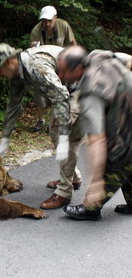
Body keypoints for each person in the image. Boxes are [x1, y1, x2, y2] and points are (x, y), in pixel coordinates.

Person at [0, 43, 84, 209]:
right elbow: (13, 106)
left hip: (81, 89)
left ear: (9, 61)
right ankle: (72, 178)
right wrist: (4, 139)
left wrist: (62, 135)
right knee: (58, 133)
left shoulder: (35, 66)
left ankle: (64, 192)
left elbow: (61, 95)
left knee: (66, 137)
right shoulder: (18, 73)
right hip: (65, 92)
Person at [57, 46, 132, 221]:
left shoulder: (91, 93)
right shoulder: (99, 55)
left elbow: (96, 139)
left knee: (117, 159)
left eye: (63, 71)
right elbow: (128, 60)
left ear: (77, 69)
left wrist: (97, 181)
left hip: (126, 126)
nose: (60, 76)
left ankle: (91, 207)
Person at [30, 6, 77, 132]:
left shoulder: (64, 26)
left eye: (49, 20)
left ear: (55, 18)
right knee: (39, 93)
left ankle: (56, 122)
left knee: (60, 93)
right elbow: (33, 52)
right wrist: (34, 47)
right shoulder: (37, 30)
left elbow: (73, 44)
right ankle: (40, 120)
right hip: (43, 66)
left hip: (61, 64)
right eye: (44, 20)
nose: (46, 23)